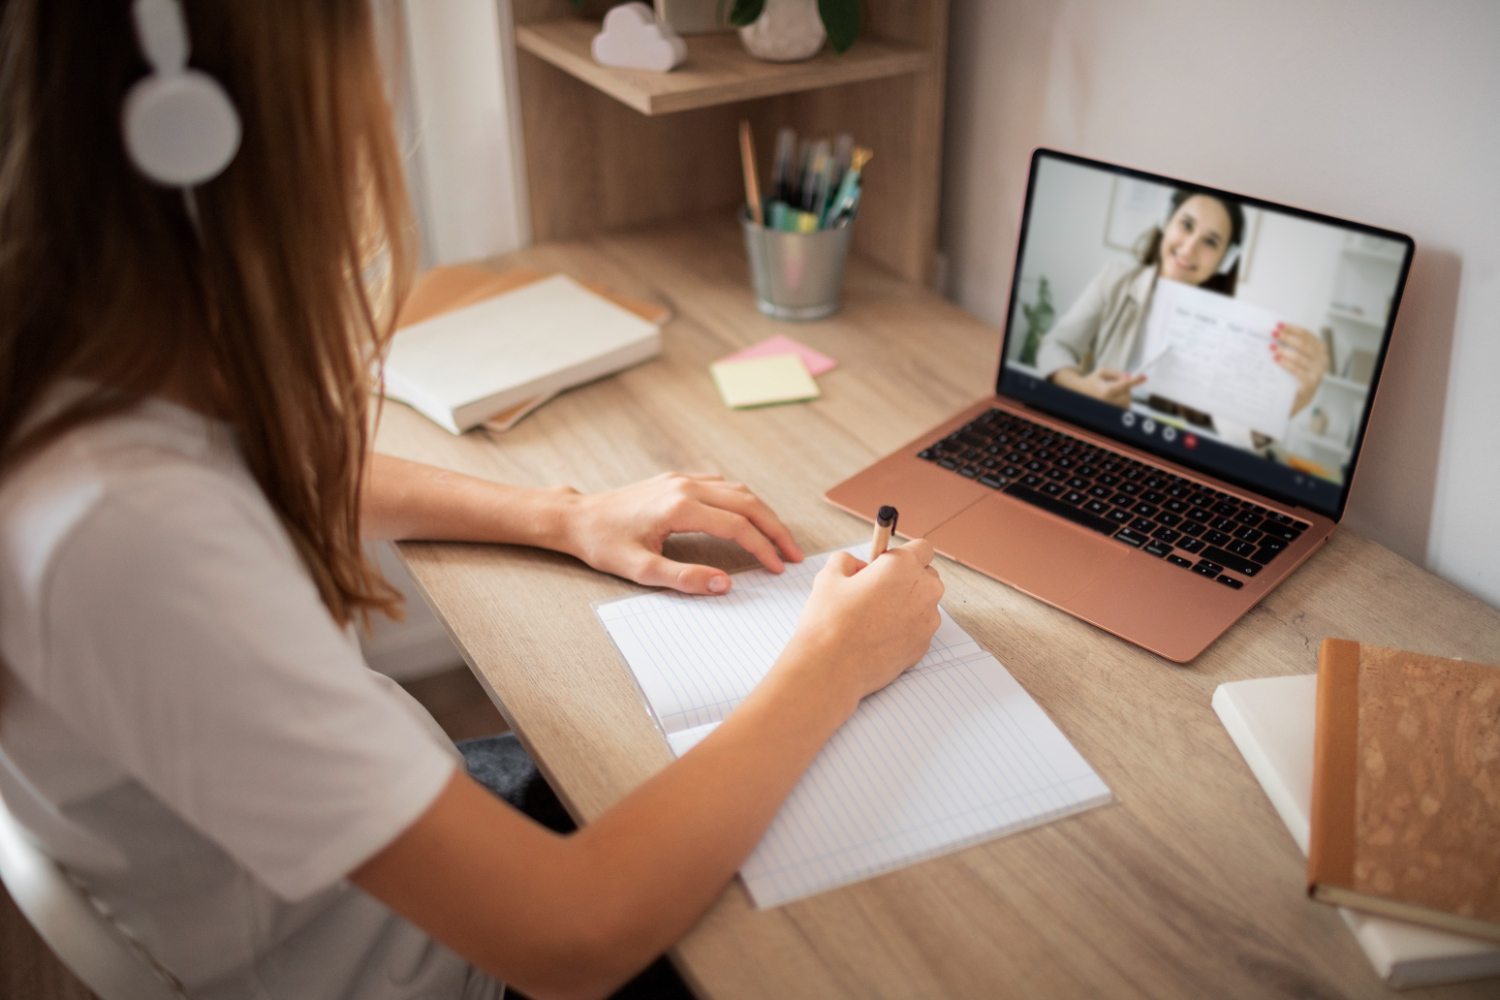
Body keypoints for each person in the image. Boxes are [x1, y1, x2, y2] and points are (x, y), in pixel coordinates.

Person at [0, 3, 944, 1000]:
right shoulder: (125, 536)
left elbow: (282, 473)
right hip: (450, 962)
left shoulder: (84, 377)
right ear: (208, 131)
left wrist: (562, 513)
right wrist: (833, 660)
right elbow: (573, 937)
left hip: (406, 845)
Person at [1035, 188, 1329, 431]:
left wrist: (1287, 406)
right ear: (1166, 222)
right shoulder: (1115, 278)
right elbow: (1055, 345)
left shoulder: (1233, 331)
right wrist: (1081, 388)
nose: (1189, 248)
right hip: (1096, 430)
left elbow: (1228, 432)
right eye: (1186, 225)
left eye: (1210, 242)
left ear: (1225, 261)